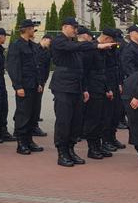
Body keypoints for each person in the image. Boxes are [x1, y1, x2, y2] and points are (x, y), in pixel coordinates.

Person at [49, 18, 115, 167]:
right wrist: (97, 45)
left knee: (76, 121)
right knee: (64, 120)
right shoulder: (59, 41)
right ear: (64, 27)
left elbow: (81, 70)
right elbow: (76, 47)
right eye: (73, 27)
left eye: (76, 27)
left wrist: (84, 88)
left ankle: (71, 150)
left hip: (76, 86)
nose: (75, 30)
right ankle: (62, 152)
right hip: (63, 86)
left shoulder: (74, 45)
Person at [7, 20, 45, 155]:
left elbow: (37, 67)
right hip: (23, 86)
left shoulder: (33, 46)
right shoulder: (16, 46)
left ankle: (29, 141)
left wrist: (39, 83)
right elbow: (13, 67)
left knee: (33, 114)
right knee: (23, 114)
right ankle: (21, 143)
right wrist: (18, 86)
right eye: (32, 29)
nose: (33, 31)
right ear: (27, 29)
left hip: (34, 85)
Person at [78, 28, 113, 160]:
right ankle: (92, 148)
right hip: (92, 88)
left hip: (100, 87)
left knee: (101, 119)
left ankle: (98, 146)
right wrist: (85, 89)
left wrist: (107, 88)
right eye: (110, 41)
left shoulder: (102, 51)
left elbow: (103, 72)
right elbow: (84, 72)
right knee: (93, 119)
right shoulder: (91, 49)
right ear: (105, 39)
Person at [101, 28, 126, 152]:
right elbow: (102, 71)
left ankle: (112, 137)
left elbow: (118, 66)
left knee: (116, 113)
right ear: (107, 39)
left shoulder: (114, 50)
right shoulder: (101, 50)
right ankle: (105, 140)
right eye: (113, 41)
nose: (115, 44)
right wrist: (107, 88)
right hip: (106, 85)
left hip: (115, 83)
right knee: (107, 114)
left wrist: (120, 83)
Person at [33, 36, 52, 137]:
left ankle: (34, 123)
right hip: (36, 80)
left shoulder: (47, 51)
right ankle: (32, 125)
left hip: (42, 80)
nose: (49, 44)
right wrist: (38, 81)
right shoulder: (35, 48)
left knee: (37, 102)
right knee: (32, 104)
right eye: (49, 42)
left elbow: (47, 66)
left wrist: (44, 80)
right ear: (43, 39)